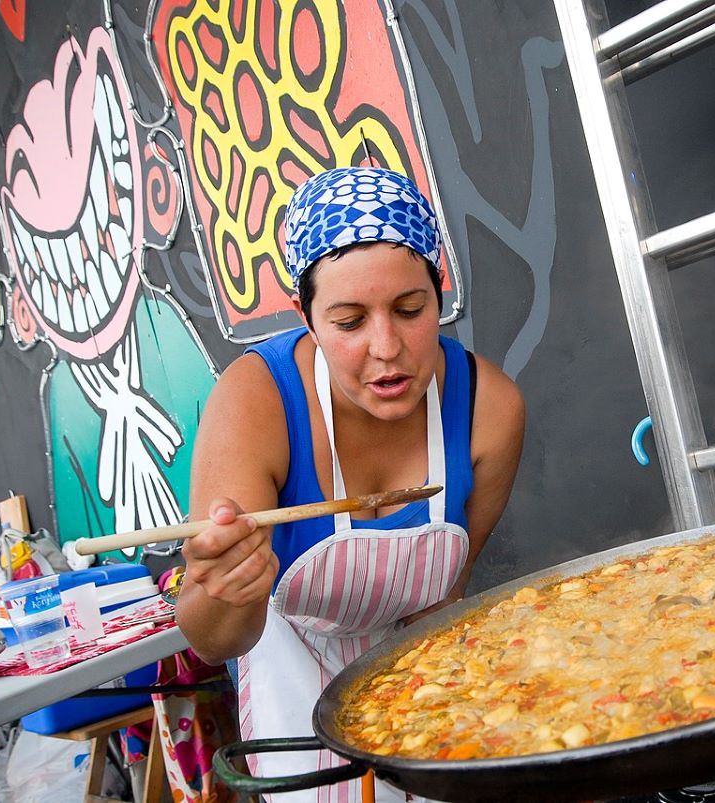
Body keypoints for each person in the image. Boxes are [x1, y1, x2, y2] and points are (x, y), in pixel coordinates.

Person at [175, 166, 525, 802]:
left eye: (410, 310)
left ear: (440, 292)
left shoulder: (487, 409)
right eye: (349, 321)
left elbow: (444, 599)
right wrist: (225, 588)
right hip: (294, 687)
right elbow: (212, 639)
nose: (386, 347)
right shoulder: (258, 402)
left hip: (422, 677)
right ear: (307, 318)